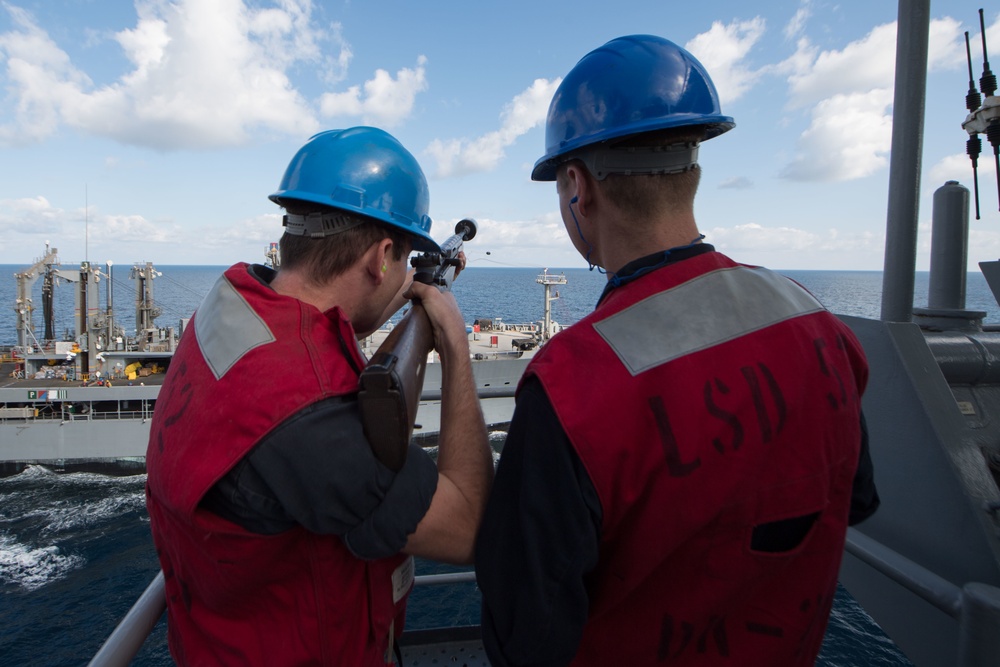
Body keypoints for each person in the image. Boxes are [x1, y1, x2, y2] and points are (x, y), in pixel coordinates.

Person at [475, 35, 879, 667]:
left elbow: (523, 635)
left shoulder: (570, 383)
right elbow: (854, 500)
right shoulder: (818, 322)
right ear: (693, 170)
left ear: (577, 186)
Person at [146, 126, 493, 666]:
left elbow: (337, 340)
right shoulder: (309, 415)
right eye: (400, 262)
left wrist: (409, 305)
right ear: (382, 257)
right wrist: (451, 339)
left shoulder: (231, 310)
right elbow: (470, 527)